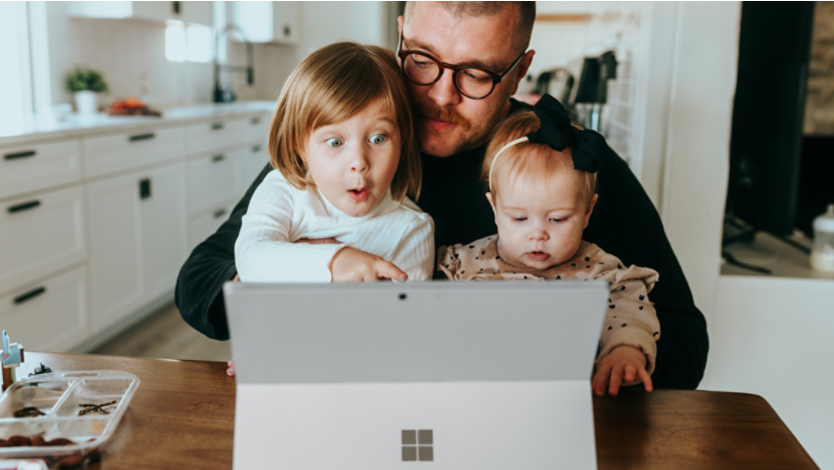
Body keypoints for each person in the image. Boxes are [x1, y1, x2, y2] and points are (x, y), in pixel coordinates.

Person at [177, 1, 709, 390]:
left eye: (477, 73)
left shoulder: (564, 163)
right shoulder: (344, 148)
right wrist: (291, 296)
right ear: (401, 35)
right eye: (423, 61)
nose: (439, 95)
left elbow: (684, 334)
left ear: (520, 70)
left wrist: (594, 353)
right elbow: (201, 278)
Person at [438, 99, 660, 396]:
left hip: (565, 404)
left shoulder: (603, 274)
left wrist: (626, 353)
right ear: (494, 207)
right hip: (477, 400)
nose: (538, 234)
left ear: (587, 212)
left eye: (557, 219)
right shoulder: (460, 263)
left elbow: (628, 316)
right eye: (519, 218)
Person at [235, 42, 433, 285]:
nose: (359, 163)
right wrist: (335, 261)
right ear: (299, 146)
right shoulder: (284, 191)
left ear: (402, 140)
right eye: (335, 143)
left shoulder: (411, 230)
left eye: (378, 139)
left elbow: (404, 319)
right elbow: (249, 257)